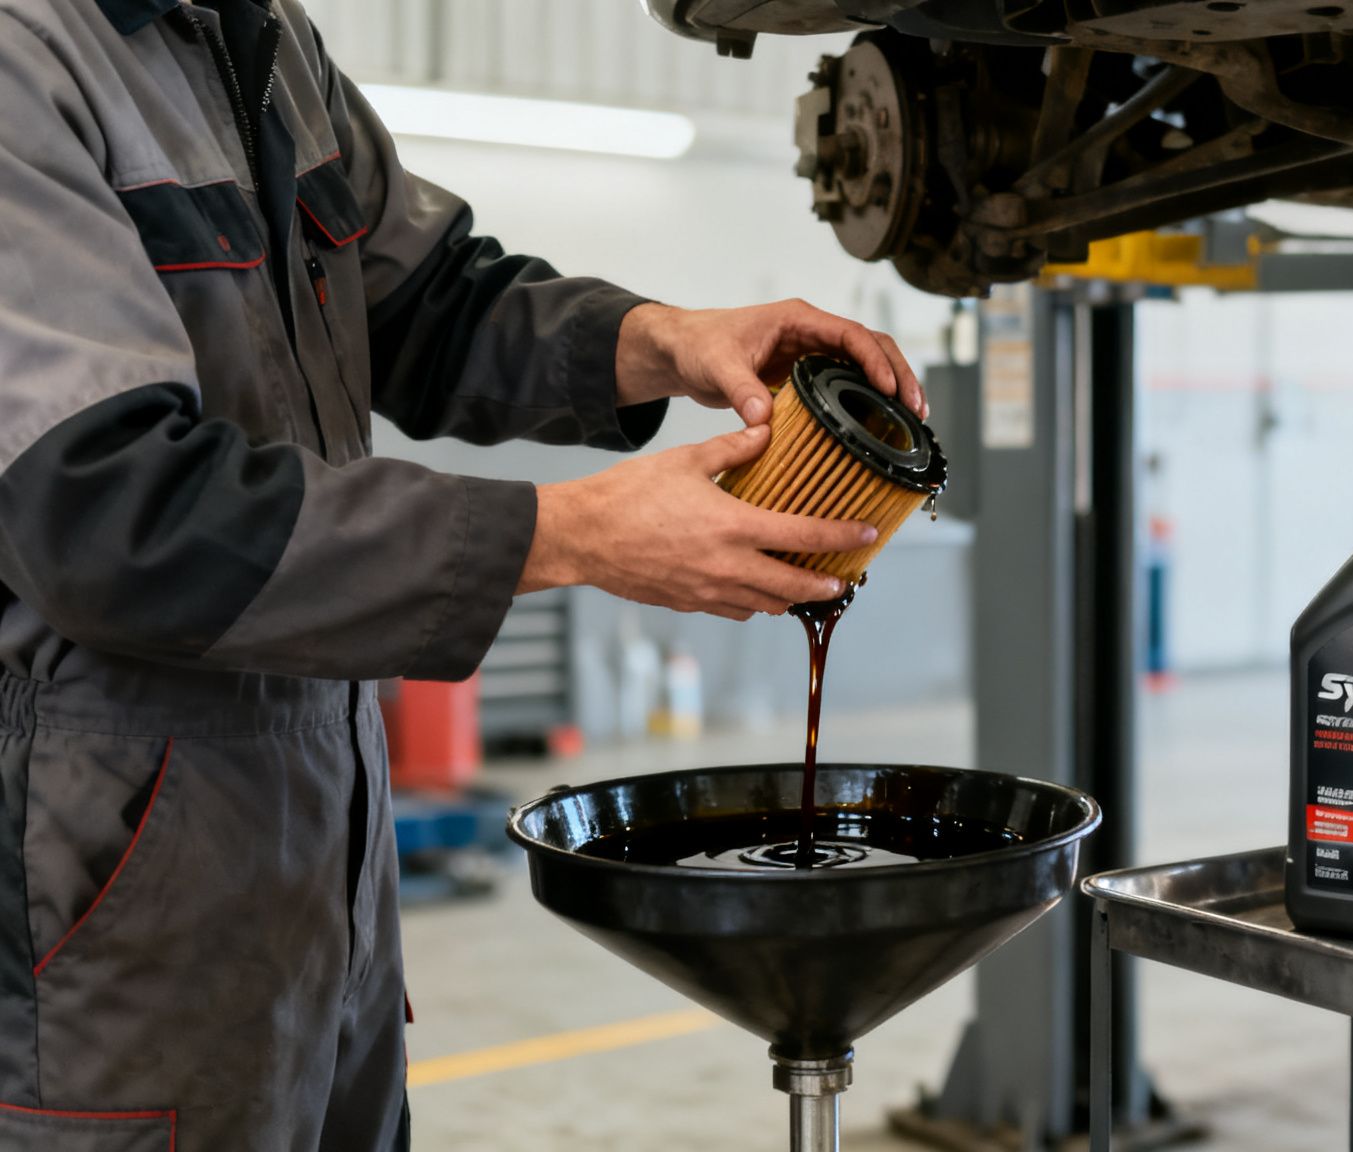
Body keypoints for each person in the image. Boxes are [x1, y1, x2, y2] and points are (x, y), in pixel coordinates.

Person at [0, 0, 928, 1147]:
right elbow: (108, 512)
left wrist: (664, 340)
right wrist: (570, 533)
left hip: (324, 859)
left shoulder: (261, 37)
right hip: (109, 892)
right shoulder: (26, 56)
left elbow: (431, 302)